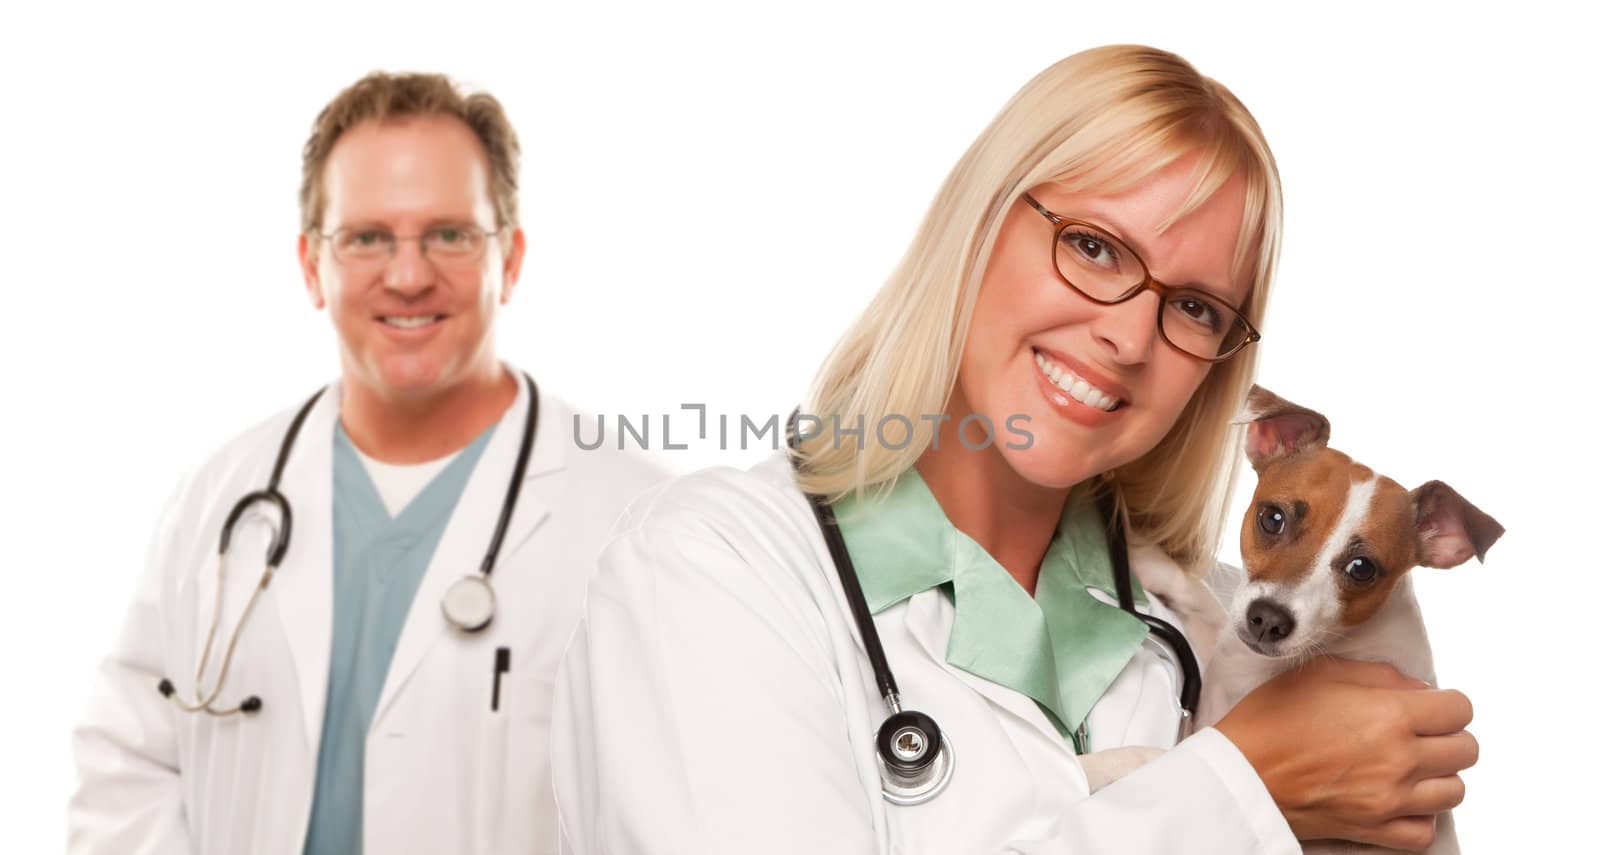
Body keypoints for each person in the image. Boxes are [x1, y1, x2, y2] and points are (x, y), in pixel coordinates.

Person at [551, 45, 1476, 853]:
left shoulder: (1219, 632)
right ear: (980, 221)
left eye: (1194, 306)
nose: (1126, 336)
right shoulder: (710, 572)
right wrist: (1243, 788)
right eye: (1095, 247)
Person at [67, 72, 669, 855]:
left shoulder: (635, 525)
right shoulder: (218, 501)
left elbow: (679, 810)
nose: (409, 274)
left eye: (450, 234)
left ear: (512, 259)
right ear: (311, 265)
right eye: (367, 237)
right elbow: (127, 765)